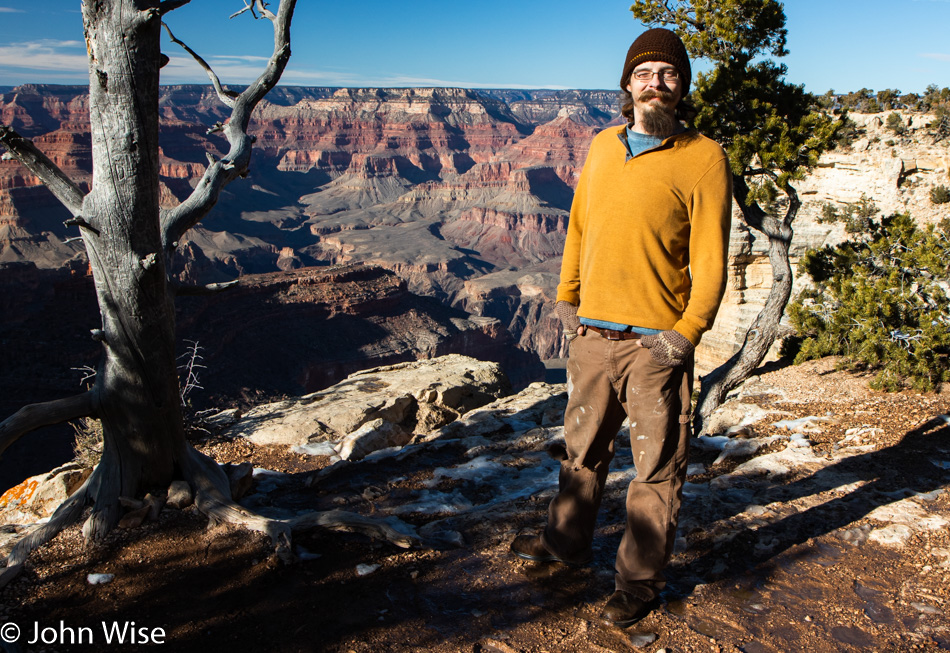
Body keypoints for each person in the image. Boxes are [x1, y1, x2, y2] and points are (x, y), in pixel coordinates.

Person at [510, 28, 733, 627]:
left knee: (655, 469)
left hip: (655, 344)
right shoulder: (603, 145)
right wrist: (566, 301)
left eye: (669, 75)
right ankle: (564, 546)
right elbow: (579, 226)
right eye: (645, 74)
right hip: (591, 338)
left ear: (682, 88)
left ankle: (637, 582)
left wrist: (683, 335)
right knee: (581, 453)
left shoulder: (704, 157)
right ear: (627, 84)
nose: (655, 84)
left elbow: (712, 260)